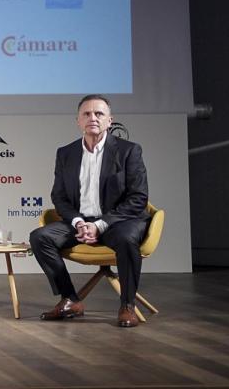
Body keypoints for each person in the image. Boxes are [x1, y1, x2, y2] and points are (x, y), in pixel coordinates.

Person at [29, 95, 150, 327]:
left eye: (99, 114)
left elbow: (138, 198)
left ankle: (127, 305)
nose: (92, 118)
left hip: (117, 222)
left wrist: (100, 225)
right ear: (78, 121)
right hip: (80, 222)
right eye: (86, 114)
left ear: (109, 120)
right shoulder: (66, 153)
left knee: (126, 239)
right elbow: (59, 197)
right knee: (40, 237)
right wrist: (77, 222)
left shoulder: (129, 151)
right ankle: (70, 299)